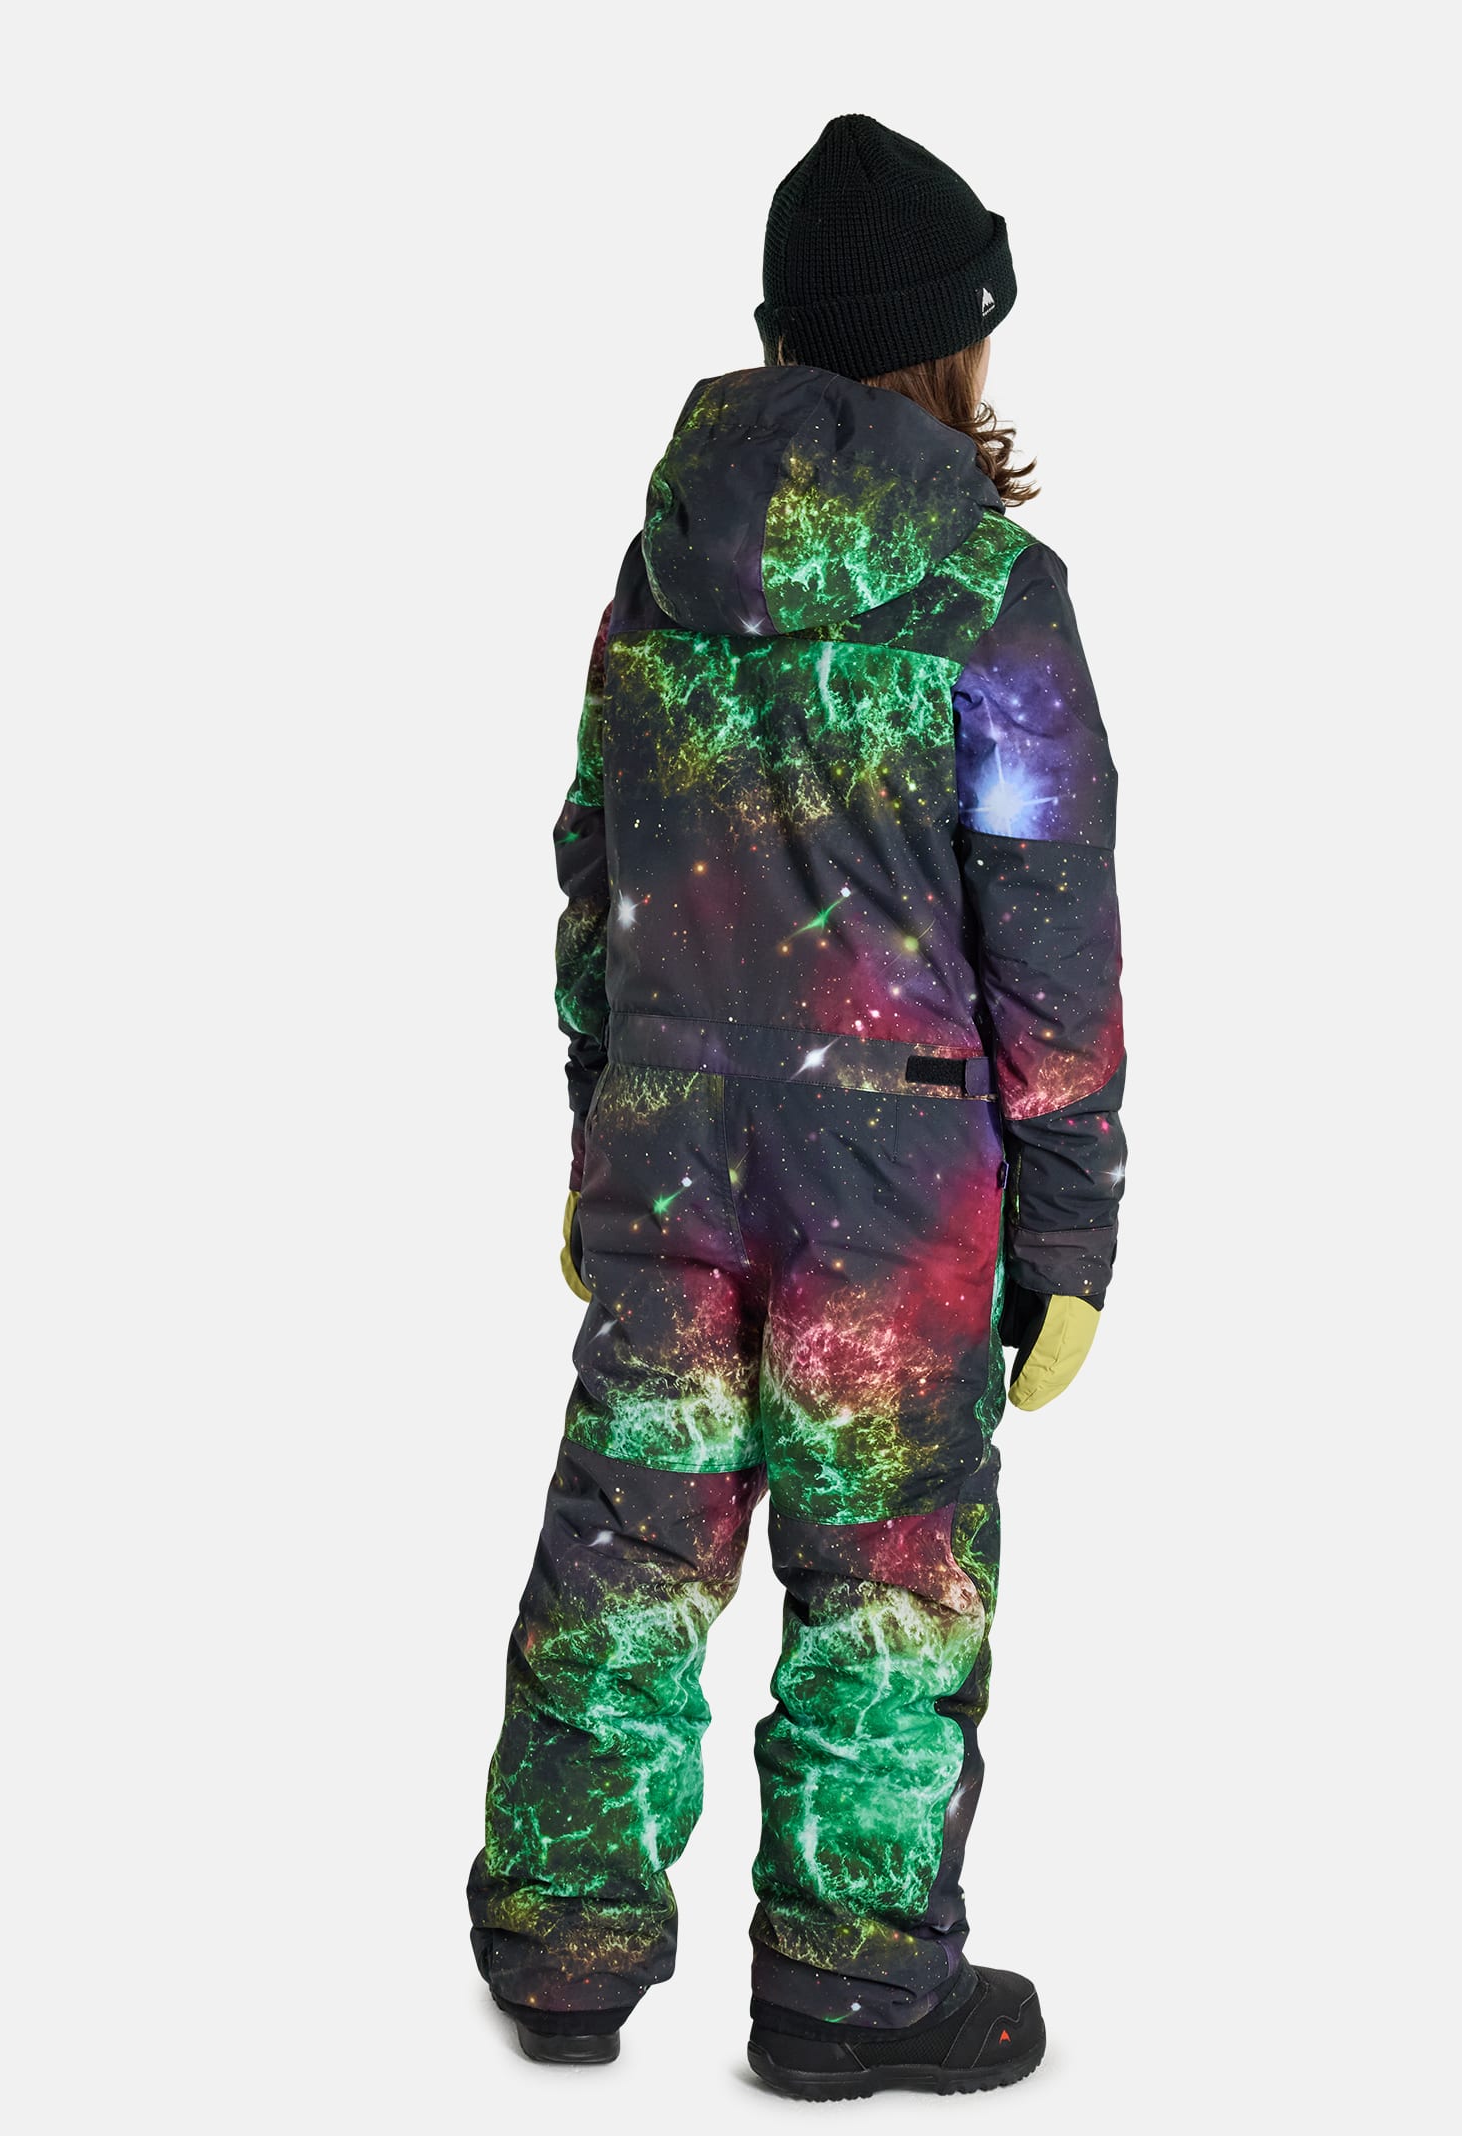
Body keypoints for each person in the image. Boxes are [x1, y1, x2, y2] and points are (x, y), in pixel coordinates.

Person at [467, 113, 1126, 2099]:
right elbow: (1050, 934)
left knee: (630, 1536)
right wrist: (1071, 1224)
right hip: (891, 1172)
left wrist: (597, 1114)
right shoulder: (991, 593)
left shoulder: (658, 569)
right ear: (954, 340)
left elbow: (596, 854)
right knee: (887, 1573)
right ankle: (851, 1990)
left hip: (670, 1137)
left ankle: (563, 1947)